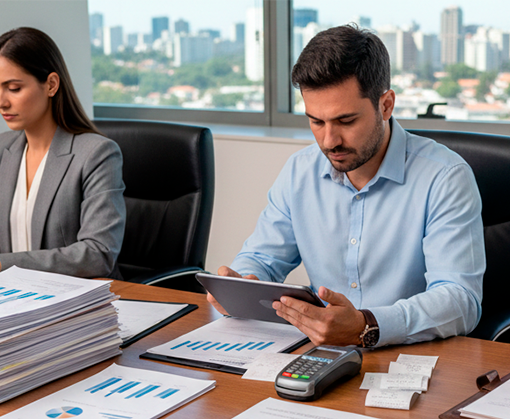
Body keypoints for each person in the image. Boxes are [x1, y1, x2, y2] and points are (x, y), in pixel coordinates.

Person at [207, 25, 485, 348]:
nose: (329, 141)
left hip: (412, 362)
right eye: (316, 121)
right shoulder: (300, 172)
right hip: (322, 356)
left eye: (346, 121)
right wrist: (242, 282)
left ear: (386, 105)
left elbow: (460, 300)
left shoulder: (445, 177)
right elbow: (261, 257)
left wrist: (366, 325)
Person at [0, 27, 125, 280]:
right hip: (15, 298)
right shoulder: (2, 148)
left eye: (14, 88)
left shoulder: (96, 154)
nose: (1, 102)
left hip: (76, 302)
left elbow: (97, 254)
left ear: (51, 84)